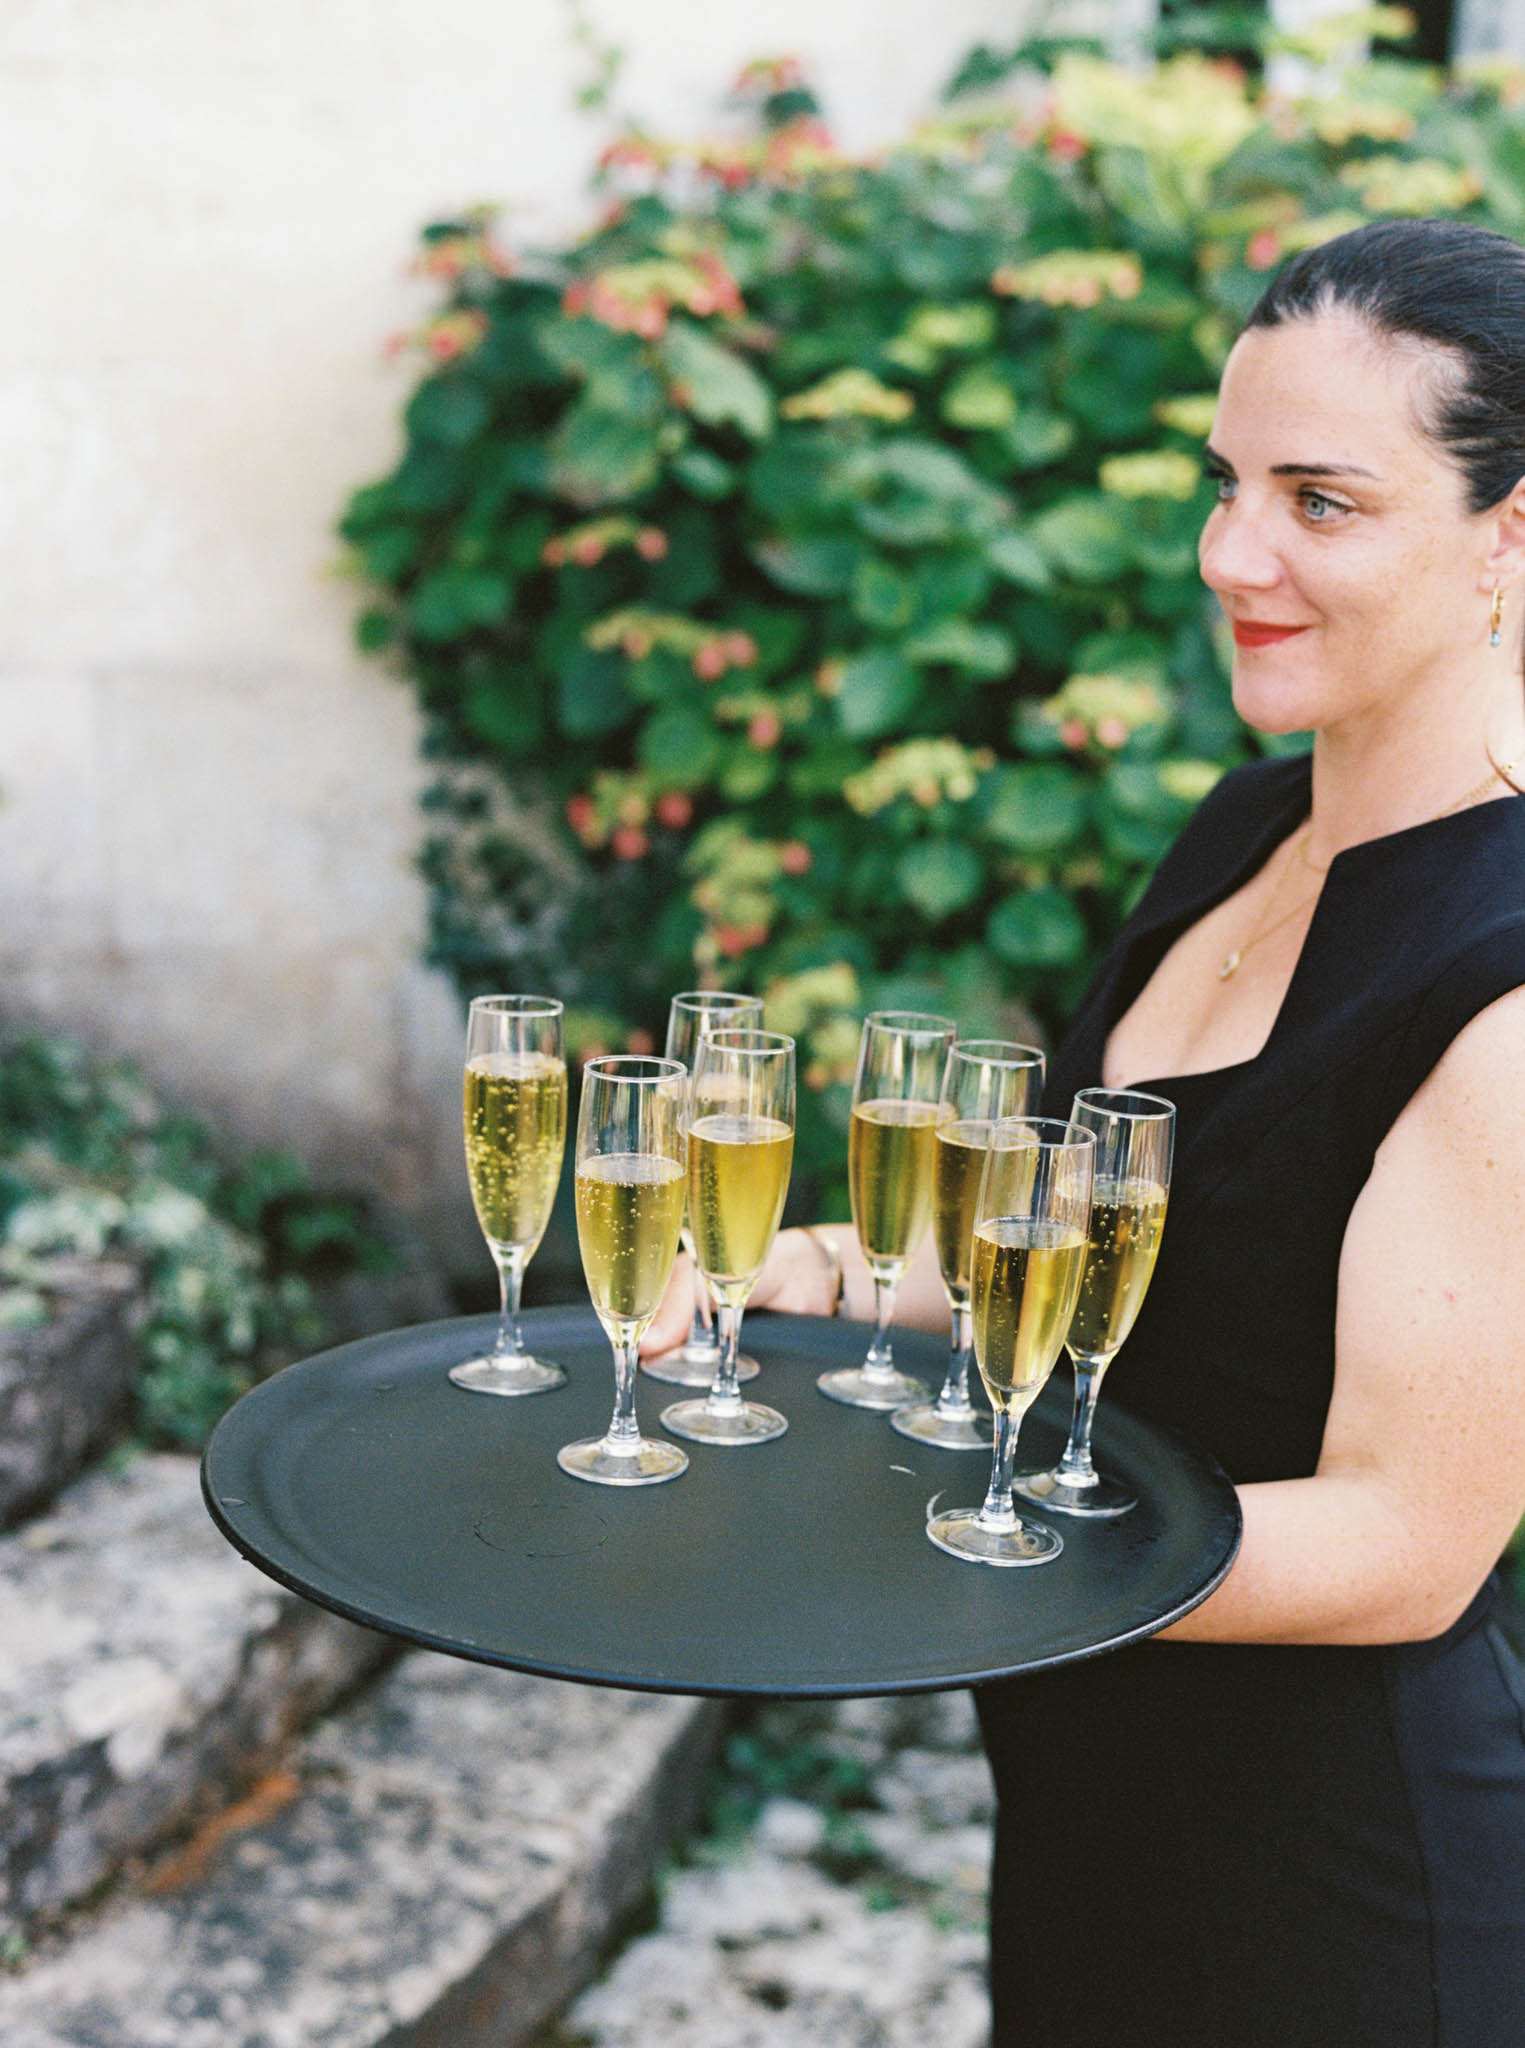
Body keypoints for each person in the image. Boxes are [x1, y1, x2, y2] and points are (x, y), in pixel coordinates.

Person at [642, 217, 1525, 2045]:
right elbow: (1082, 1267)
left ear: (1510, 535)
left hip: (1337, 1902)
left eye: (1320, 502)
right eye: (1224, 483)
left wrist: (932, 1539)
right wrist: (817, 1272)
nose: (1231, 555)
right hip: (1094, 1820)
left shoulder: (1507, 977)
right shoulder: (1238, 831)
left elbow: (1406, 1541)